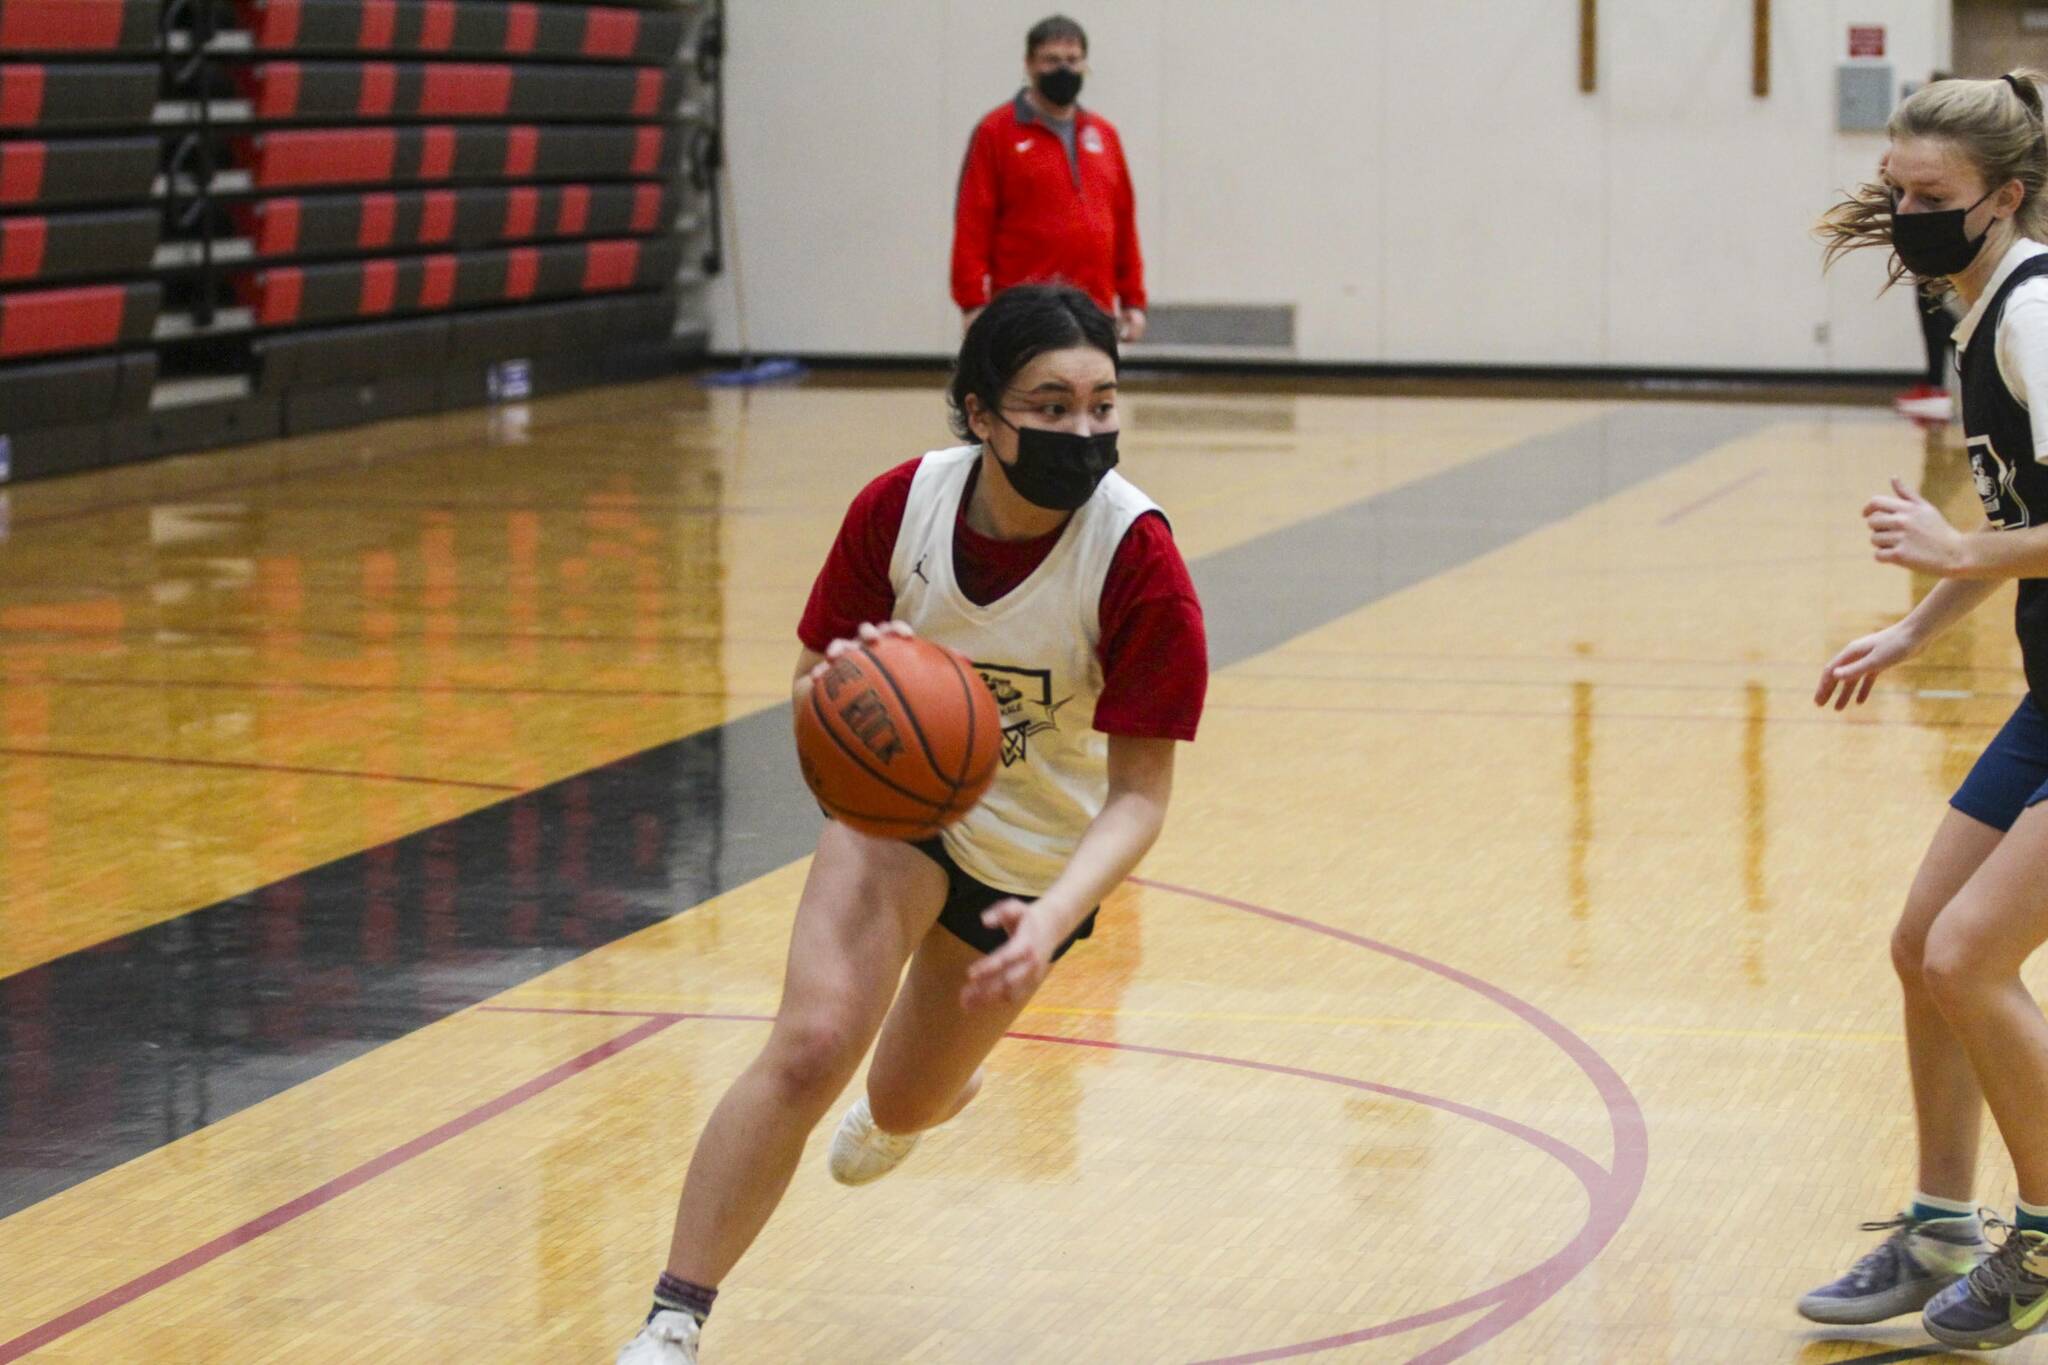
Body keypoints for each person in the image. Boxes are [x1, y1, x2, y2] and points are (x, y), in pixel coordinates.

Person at [613, 284, 1206, 1364]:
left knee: (898, 1096)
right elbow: (807, 685)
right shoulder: (901, 508)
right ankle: (671, 1319)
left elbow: (1138, 799)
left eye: (1101, 405)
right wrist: (844, 704)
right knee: (808, 1048)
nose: (1083, 431)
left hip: (1033, 863)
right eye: (1050, 405)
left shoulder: (1138, 560)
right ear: (980, 415)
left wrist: (1052, 917)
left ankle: (929, 1096)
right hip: (897, 816)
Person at [1806, 70, 2048, 1351]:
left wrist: (1950, 553)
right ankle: (1938, 1224)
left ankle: (2042, 1243)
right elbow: (2020, 528)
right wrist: (1913, 625)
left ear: (2003, 198)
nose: (1901, 215)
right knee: (1920, 948)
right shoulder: (1980, 313)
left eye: (1930, 198)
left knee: (1969, 954)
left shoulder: (2035, 316)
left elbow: (1996, 537)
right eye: (1892, 190)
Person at [950, 15, 1148, 343]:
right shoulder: (995, 133)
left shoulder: (1104, 135)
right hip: (1024, 311)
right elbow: (972, 220)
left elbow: (1124, 223)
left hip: (1094, 309)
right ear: (1029, 64)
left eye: (1072, 60)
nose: (1063, 70)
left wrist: (1134, 300)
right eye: (1051, 60)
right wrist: (971, 303)